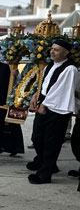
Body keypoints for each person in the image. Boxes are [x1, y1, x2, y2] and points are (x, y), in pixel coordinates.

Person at [26, 40, 78, 184]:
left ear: (65, 53)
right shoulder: (49, 66)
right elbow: (45, 85)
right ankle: (48, 164)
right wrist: (36, 96)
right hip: (45, 103)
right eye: (52, 48)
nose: (52, 51)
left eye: (56, 49)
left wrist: (44, 104)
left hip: (58, 109)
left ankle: (45, 174)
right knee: (37, 137)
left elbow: (60, 90)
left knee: (51, 142)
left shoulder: (70, 69)